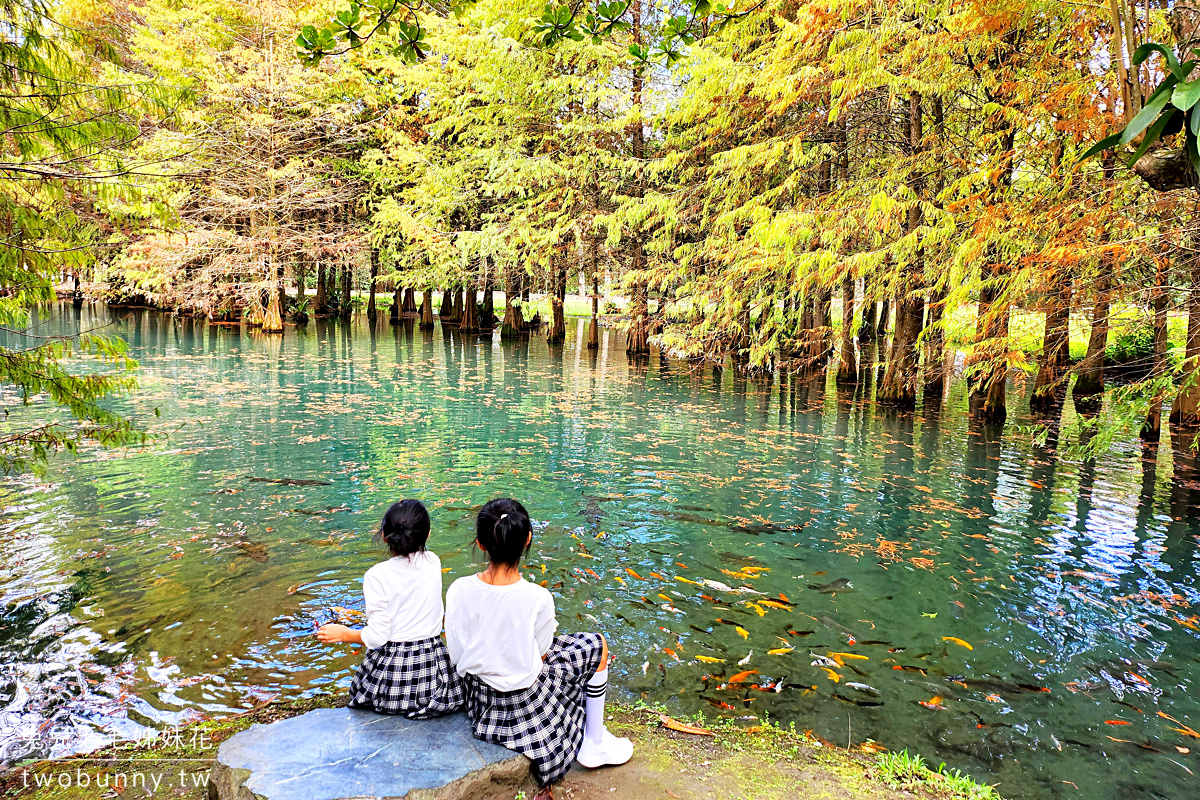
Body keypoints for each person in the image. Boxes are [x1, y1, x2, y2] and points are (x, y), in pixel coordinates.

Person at [445, 498, 632, 798]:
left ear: (480, 544)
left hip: (478, 698)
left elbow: (455, 652)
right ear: (527, 539)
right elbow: (544, 653)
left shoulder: (458, 589)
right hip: (524, 699)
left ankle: (594, 739)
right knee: (597, 644)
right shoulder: (537, 597)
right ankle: (594, 740)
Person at [316, 499, 463, 718]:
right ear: (428, 533)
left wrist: (345, 634)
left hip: (393, 680)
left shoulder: (376, 575)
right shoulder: (433, 561)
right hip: (431, 679)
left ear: (384, 536)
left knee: (362, 684)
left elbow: (378, 637)